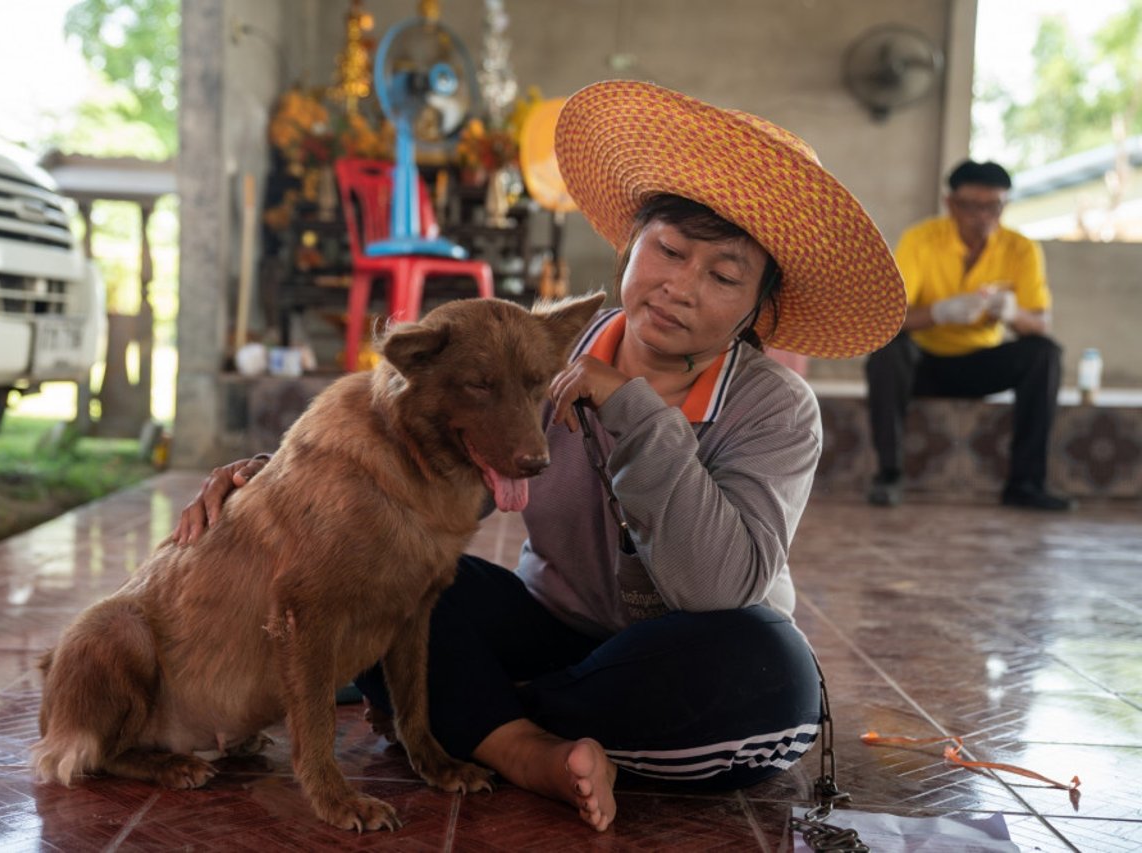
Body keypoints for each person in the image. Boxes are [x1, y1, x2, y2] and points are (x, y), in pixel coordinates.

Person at [171, 81, 906, 832]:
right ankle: (531, 751)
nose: (680, 286)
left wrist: (631, 409)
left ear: (759, 307)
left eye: (723, 276)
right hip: (550, 625)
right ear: (632, 242)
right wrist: (279, 478)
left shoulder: (773, 406)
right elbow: (412, 460)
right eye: (669, 250)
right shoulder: (542, 359)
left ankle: (489, 717)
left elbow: (714, 588)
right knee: (403, 584)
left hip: (687, 647)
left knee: (771, 683)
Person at [865, 159, 1073, 511]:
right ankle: (889, 475)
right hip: (924, 365)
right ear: (950, 204)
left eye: (993, 206)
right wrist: (937, 313)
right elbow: (887, 316)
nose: (983, 216)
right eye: (972, 206)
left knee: (1045, 353)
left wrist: (1012, 313)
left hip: (982, 364)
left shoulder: (1021, 249)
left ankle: (1025, 484)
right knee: (887, 351)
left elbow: (1041, 323)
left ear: (1004, 205)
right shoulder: (921, 239)